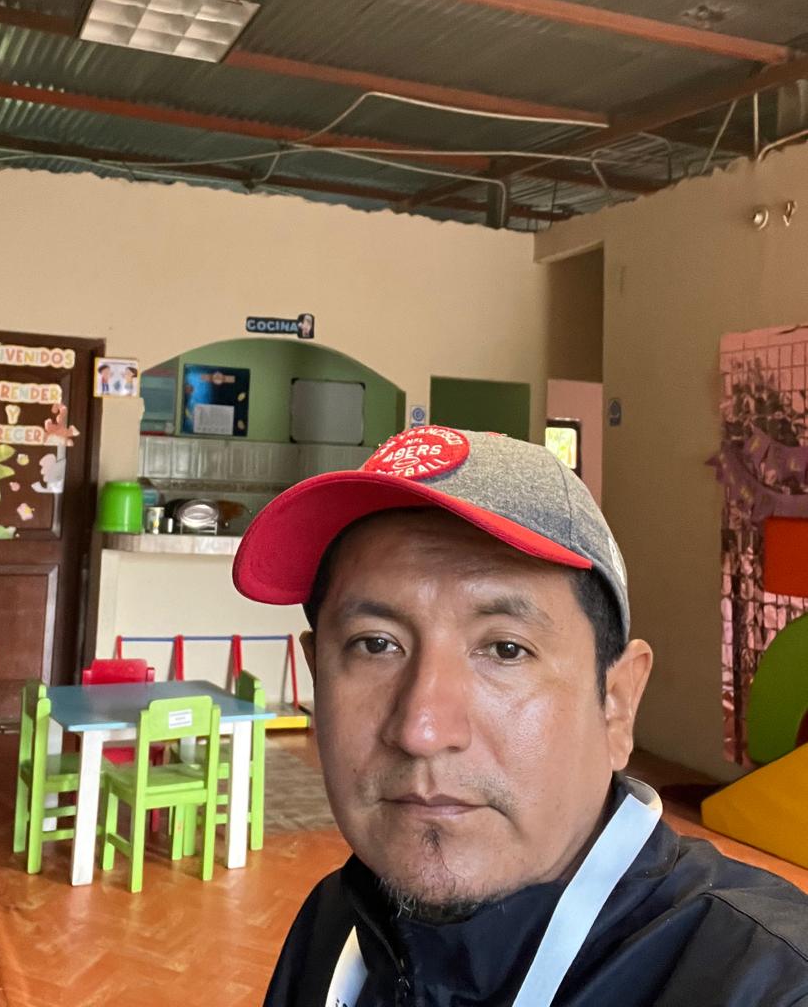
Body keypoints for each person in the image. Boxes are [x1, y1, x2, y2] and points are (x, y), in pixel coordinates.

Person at [233, 426, 808, 1006]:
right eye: (375, 644)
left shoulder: (769, 982)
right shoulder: (336, 922)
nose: (422, 730)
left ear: (616, 703)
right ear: (317, 674)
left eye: (506, 650)